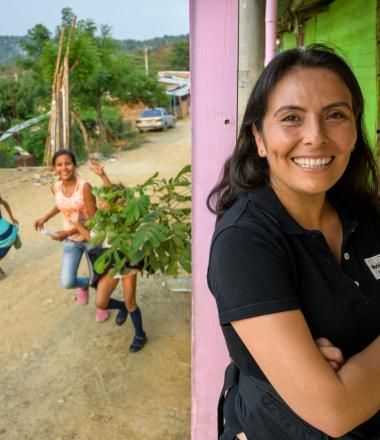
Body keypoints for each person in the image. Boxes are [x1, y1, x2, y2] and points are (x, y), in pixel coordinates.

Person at [207, 44, 380, 440]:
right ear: (260, 139)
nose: (316, 137)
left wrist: (353, 370)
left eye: (335, 115)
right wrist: (333, 384)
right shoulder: (245, 242)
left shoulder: (365, 214)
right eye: (291, 118)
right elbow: (334, 411)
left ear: (355, 129)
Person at [75, 160, 147, 352]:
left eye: (105, 198)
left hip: (127, 262)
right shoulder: (100, 220)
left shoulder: (123, 217)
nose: (100, 201)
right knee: (100, 302)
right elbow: (93, 240)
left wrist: (102, 176)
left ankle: (140, 333)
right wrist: (77, 225)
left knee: (131, 301)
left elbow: (118, 195)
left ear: (118, 203)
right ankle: (122, 307)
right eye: (100, 198)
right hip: (111, 263)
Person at [33, 149, 102, 316]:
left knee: (99, 278)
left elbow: (94, 219)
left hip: (90, 238)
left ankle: (102, 306)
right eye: (59, 164)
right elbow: (61, 204)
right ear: (54, 168)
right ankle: (84, 284)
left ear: (74, 165)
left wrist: (67, 232)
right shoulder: (55, 187)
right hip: (72, 240)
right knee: (67, 281)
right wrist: (46, 217)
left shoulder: (84, 187)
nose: (64, 168)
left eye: (68, 163)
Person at [0, 195, 21, 279]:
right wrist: (12, 218)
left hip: (4, 238)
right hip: (11, 229)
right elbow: (5, 203)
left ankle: (1, 274)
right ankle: (15, 238)